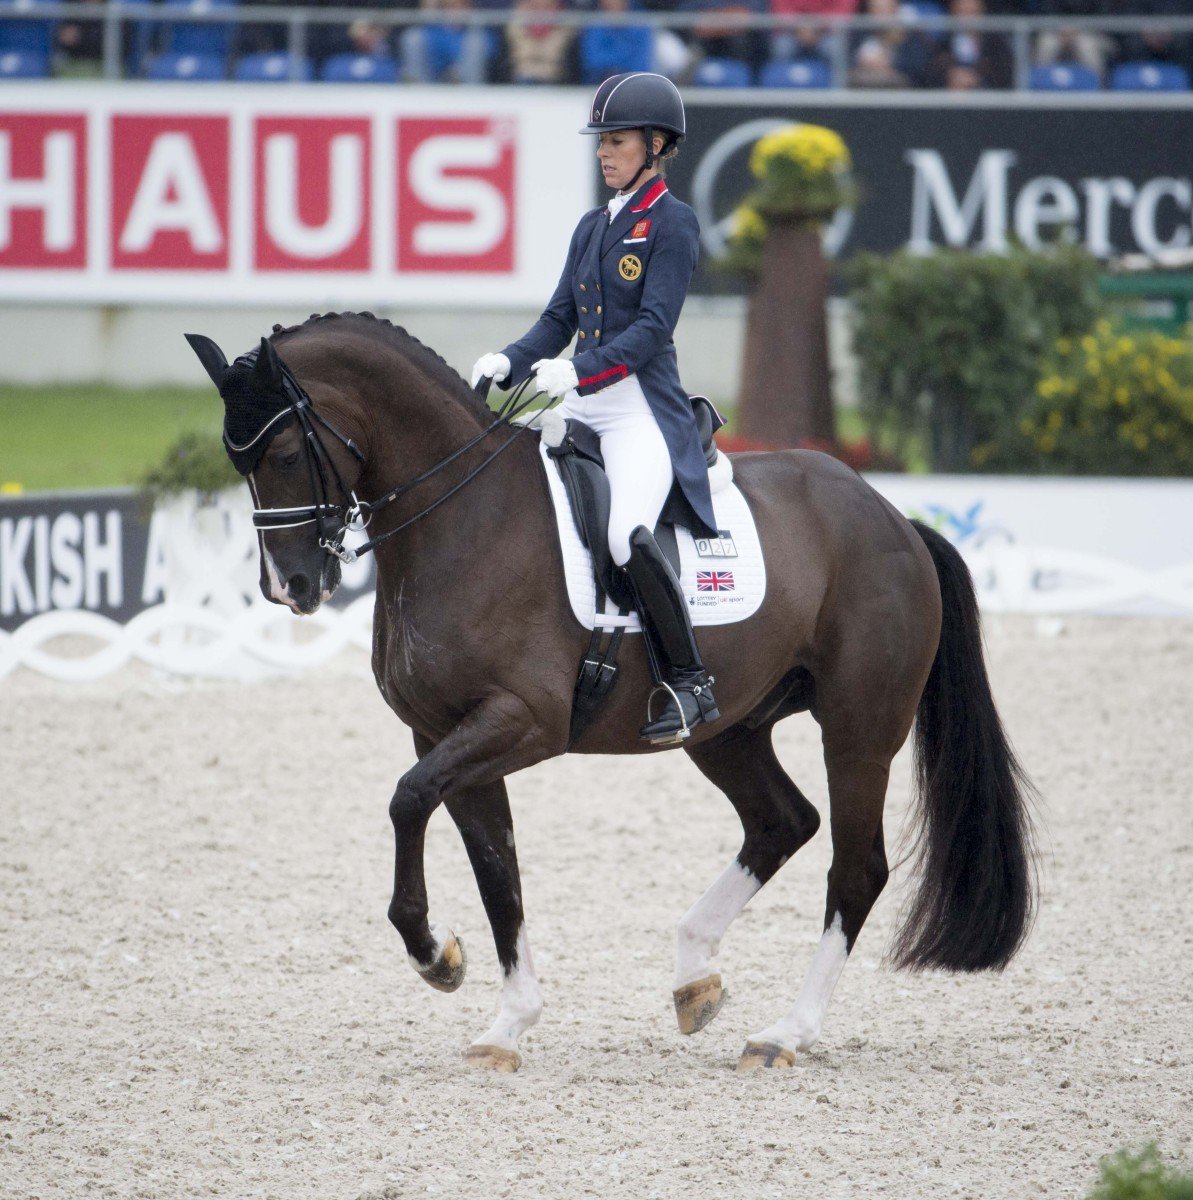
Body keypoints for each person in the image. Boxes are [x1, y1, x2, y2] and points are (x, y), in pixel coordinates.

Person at [470, 72, 721, 744]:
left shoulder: (672, 222)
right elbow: (559, 316)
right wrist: (511, 359)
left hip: (638, 411)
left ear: (656, 143)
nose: (603, 153)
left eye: (616, 141)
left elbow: (652, 331)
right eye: (600, 142)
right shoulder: (592, 224)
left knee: (622, 534)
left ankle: (690, 682)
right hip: (581, 407)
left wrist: (576, 370)